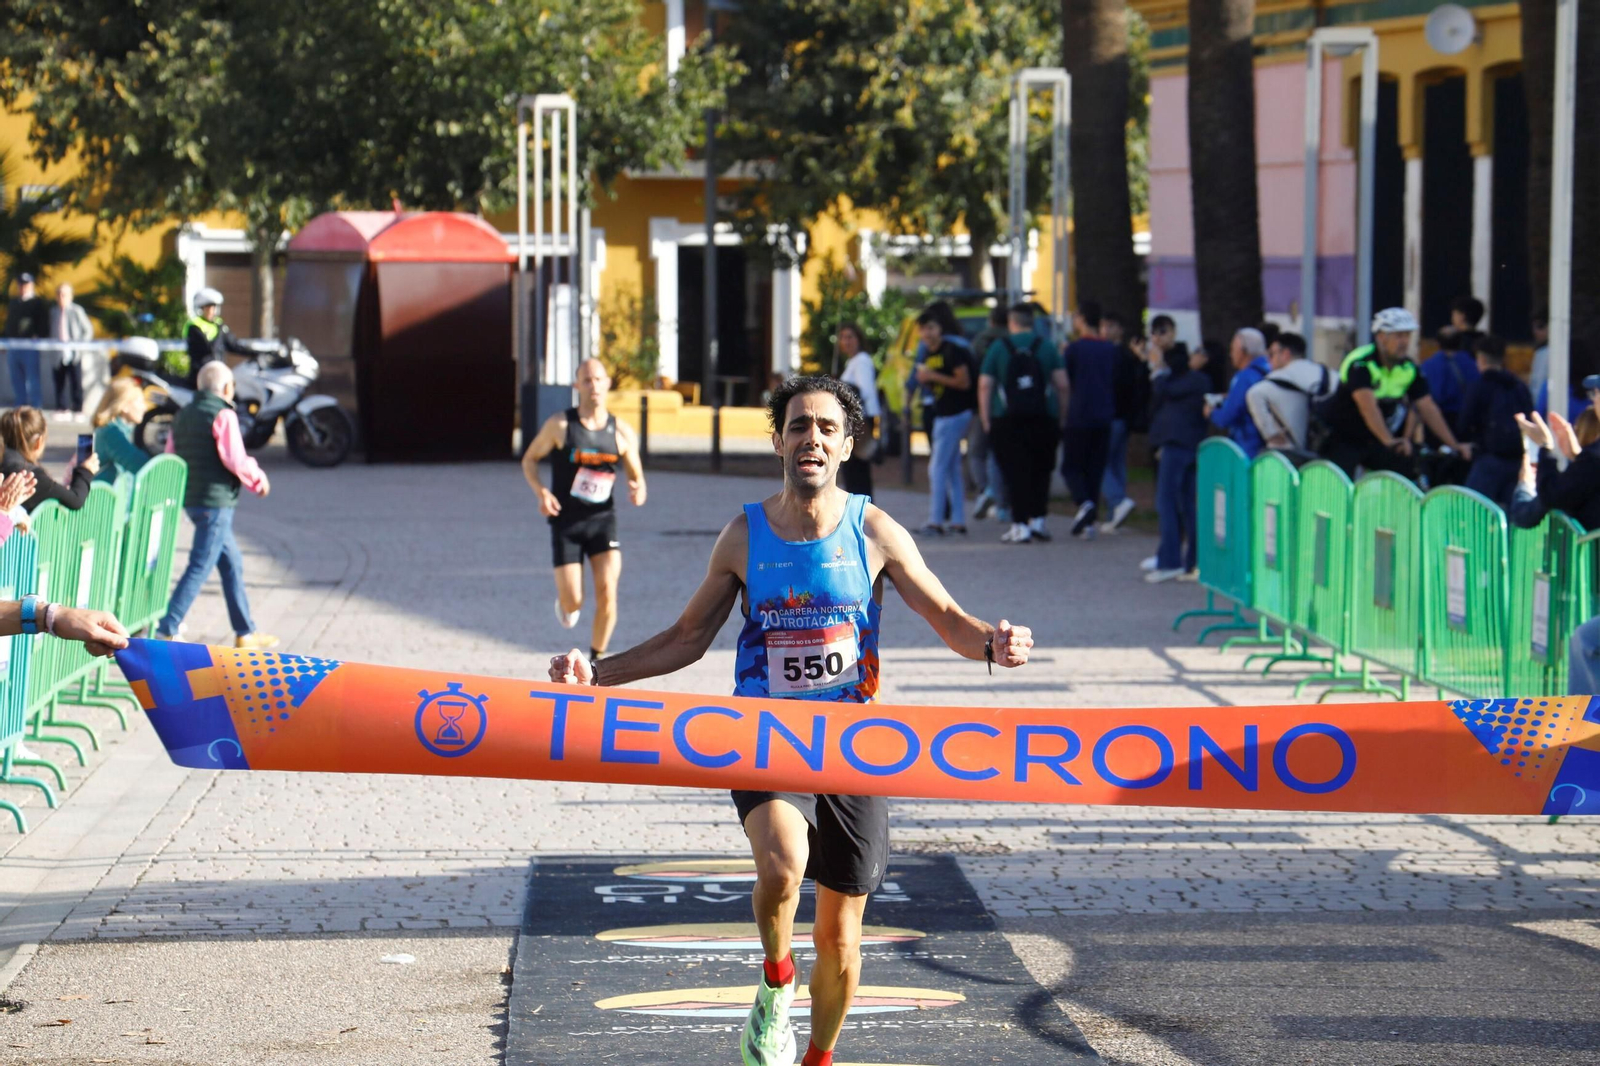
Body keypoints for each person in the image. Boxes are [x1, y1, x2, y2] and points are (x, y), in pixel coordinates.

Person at [545, 374, 1034, 1066]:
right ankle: (776, 983)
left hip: (854, 747)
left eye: (827, 428)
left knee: (840, 938)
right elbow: (688, 637)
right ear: (777, 440)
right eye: (799, 426)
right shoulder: (745, 534)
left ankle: (816, 1057)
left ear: (847, 445)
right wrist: (598, 673)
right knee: (781, 867)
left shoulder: (875, 531)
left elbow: (948, 618)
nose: (812, 439)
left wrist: (993, 643)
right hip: (767, 737)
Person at [521, 357, 646, 664]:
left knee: (608, 591)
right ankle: (566, 605)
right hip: (566, 523)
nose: (593, 386)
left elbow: (637, 478)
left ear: (608, 384)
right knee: (574, 600)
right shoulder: (561, 426)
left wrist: (636, 489)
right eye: (586, 381)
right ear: (577, 386)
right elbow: (529, 460)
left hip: (603, 521)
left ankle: (596, 661)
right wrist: (542, 492)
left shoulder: (622, 432)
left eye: (598, 380)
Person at [155, 361, 276, 649]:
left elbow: (171, 455)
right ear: (225, 387)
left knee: (231, 563)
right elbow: (234, 459)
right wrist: (258, 481)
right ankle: (167, 629)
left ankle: (245, 632)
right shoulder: (223, 414)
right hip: (216, 501)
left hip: (193, 500)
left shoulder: (182, 415)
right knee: (200, 565)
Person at [1317, 308, 1473, 479]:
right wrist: (1388, 441)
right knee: (1339, 483)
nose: (1404, 342)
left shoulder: (1408, 368)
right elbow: (1368, 407)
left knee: (1406, 471)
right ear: (1381, 337)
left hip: (1376, 437)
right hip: (1344, 436)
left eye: (1408, 336)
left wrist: (1454, 444)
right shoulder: (1361, 362)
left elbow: (1428, 408)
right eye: (1399, 336)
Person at [980, 303, 1068, 544]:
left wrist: (987, 418)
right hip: (1043, 417)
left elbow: (986, 384)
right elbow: (1062, 384)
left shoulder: (999, 347)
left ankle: (1019, 524)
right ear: (1032, 321)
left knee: (1014, 471)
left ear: (1011, 322)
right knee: (1041, 470)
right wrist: (1060, 416)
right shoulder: (1047, 346)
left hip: (1006, 419)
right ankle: (1038, 521)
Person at [1144, 336, 1209, 583]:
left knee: (1167, 503)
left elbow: (1161, 391)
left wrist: (1158, 369)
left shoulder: (1172, 383)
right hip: (1192, 445)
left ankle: (1170, 559)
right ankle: (1192, 560)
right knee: (1189, 504)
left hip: (1175, 446)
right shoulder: (1201, 381)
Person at [1057, 301, 1118, 539]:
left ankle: (1085, 504)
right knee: (1094, 468)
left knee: (1071, 467)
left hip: (1079, 415)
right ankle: (1089, 520)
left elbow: (1066, 381)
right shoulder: (1110, 350)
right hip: (1103, 415)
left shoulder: (1074, 349)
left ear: (1081, 318)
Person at [912, 308, 975, 535]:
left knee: (936, 468)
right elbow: (942, 384)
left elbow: (964, 382)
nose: (927, 334)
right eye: (923, 329)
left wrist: (932, 376)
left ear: (940, 329)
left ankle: (935, 521)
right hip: (944, 413)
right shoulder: (930, 354)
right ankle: (958, 521)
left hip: (955, 414)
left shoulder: (952, 351)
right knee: (951, 469)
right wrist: (927, 382)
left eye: (931, 328)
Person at [1509, 375, 1600, 532]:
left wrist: (1545, 448)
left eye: (1597, 393)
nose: (1594, 400)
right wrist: (1576, 456)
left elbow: (1553, 495)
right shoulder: (1591, 458)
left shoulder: (1594, 457)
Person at [1455, 334, 1533, 509]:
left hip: (1489, 458)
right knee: (1514, 513)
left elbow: (1464, 423)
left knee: (1473, 511)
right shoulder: (1519, 386)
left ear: (1481, 358)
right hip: (1518, 458)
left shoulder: (1479, 385)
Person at [1245, 331, 1333, 453]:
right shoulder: (1327, 375)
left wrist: (1271, 435)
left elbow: (1253, 394)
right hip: (1328, 457)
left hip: (1289, 456)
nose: (1269, 360)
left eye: (1271, 354)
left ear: (1286, 354)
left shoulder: (1271, 383)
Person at [1102, 312, 1150, 531]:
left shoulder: (1118, 355)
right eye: (1104, 326)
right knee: (1116, 463)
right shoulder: (1127, 356)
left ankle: (1117, 501)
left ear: (1120, 330)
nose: (1106, 330)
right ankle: (1115, 515)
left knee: (1103, 462)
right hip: (1121, 416)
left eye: (1111, 326)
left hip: (1114, 415)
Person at [0, 406, 97, 511]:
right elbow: (75, 499)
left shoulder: (9, 462)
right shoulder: (31, 475)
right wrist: (85, 470)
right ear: (38, 442)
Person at [966, 306, 1010, 522]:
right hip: (1012, 406)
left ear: (991, 320)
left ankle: (986, 490)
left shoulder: (979, 341)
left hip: (982, 404)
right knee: (999, 455)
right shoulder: (1013, 341)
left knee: (976, 452)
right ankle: (1002, 503)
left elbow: (975, 376)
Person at [1206, 328, 1270, 458]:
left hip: (1247, 447)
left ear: (1243, 352)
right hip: (1268, 446)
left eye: (1233, 349)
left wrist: (1211, 412)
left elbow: (1227, 417)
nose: (1231, 354)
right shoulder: (1268, 371)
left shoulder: (1244, 377)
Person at [834, 323, 879, 499]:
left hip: (859, 419)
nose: (846, 341)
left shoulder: (861, 361)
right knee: (854, 469)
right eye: (843, 337)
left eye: (850, 337)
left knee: (857, 468)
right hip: (857, 418)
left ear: (859, 339)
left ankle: (863, 508)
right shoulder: (853, 361)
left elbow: (865, 390)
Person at [176, 287, 252, 386]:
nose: (212, 311)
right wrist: (220, 331)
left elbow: (234, 345)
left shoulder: (218, 324)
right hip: (201, 378)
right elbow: (208, 348)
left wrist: (257, 353)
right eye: (208, 307)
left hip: (218, 375)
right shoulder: (194, 326)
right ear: (201, 309)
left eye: (214, 307)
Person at [91, 379, 153, 482]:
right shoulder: (110, 432)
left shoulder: (111, 429)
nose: (145, 408)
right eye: (140, 402)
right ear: (124, 406)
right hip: (101, 497)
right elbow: (139, 464)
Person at [48, 283, 93, 414]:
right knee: (59, 382)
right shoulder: (53, 312)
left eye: (65, 294)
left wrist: (81, 346)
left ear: (71, 296)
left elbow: (88, 330)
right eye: (59, 294)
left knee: (76, 382)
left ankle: (78, 408)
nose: (61, 297)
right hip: (58, 353)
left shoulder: (77, 311)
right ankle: (61, 408)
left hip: (74, 353)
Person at [4, 273, 47, 409]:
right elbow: (10, 323)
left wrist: (38, 335)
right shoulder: (14, 303)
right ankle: (20, 405)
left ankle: (35, 406)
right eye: (20, 284)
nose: (22, 287)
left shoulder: (37, 303)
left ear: (31, 285)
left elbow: (43, 324)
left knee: (32, 378)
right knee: (16, 377)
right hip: (13, 345)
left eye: (26, 284)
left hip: (29, 346)